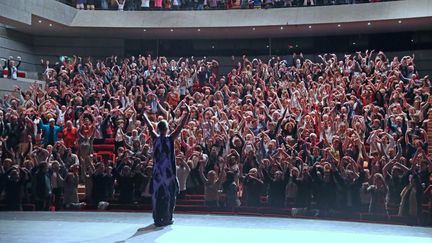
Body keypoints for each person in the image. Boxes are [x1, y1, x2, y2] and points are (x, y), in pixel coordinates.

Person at [143, 100, 190, 227]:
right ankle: (168, 217)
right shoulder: (170, 139)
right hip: (168, 173)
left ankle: (157, 218)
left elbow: (149, 126)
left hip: (158, 173)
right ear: (167, 128)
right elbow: (180, 127)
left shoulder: (155, 137)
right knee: (170, 195)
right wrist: (187, 113)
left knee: (157, 196)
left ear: (159, 129)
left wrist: (144, 115)